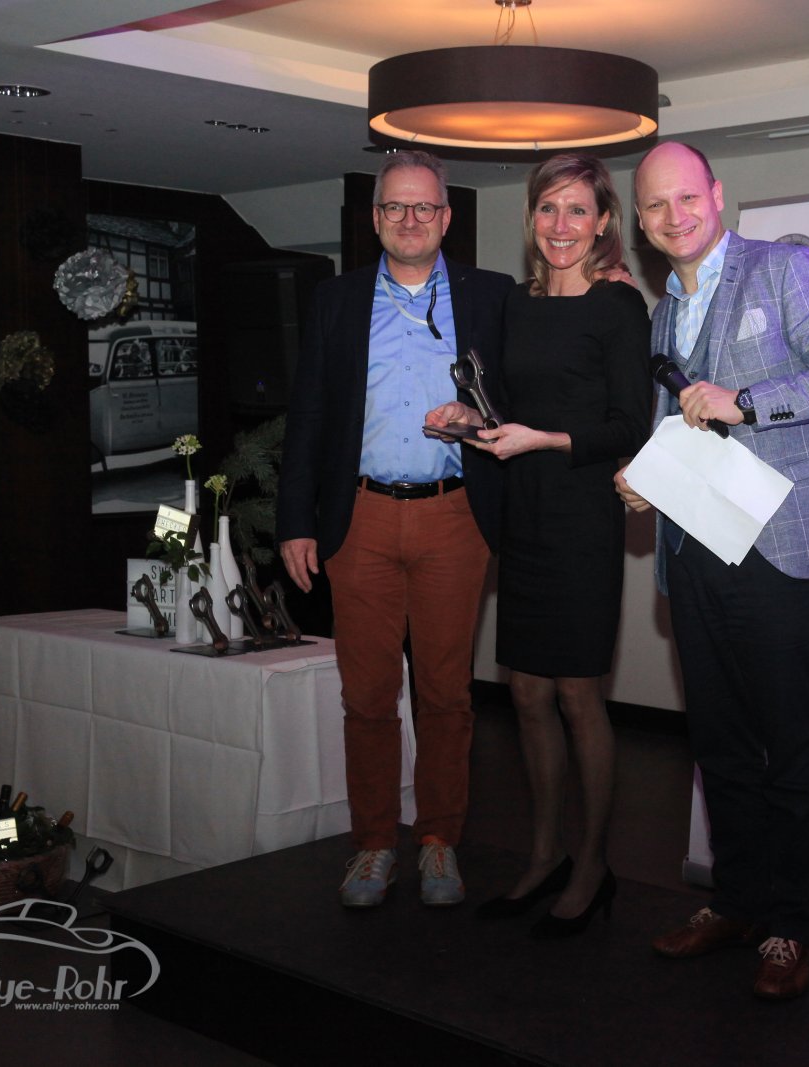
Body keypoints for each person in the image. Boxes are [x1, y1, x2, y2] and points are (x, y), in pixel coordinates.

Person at [615, 142, 809, 1000]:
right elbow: (681, 426)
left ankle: (790, 926)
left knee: (788, 746)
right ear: (642, 222)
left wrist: (750, 403)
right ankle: (735, 902)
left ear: (717, 194)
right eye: (655, 206)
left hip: (782, 552)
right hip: (695, 550)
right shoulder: (664, 314)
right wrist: (646, 479)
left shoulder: (781, 271)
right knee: (720, 742)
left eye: (686, 197)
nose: (674, 216)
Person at [276, 149, 512, 909]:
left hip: (454, 514)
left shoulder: (492, 296)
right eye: (394, 207)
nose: (410, 219)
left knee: (446, 693)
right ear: (376, 219)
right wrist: (296, 522)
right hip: (360, 519)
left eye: (424, 207)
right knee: (369, 695)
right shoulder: (336, 300)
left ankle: (439, 839)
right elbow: (309, 413)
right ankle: (374, 843)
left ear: (446, 218)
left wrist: (478, 418)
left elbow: (522, 401)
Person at [427, 154, 650, 938]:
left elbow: (630, 425)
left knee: (578, 694)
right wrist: (467, 420)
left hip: (583, 515)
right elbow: (505, 409)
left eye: (578, 210)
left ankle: (592, 864)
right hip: (522, 512)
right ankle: (545, 852)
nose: (562, 225)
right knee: (524, 691)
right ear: (531, 218)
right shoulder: (516, 305)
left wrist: (545, 439)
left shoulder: (619, 306)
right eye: (549, 208)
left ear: (603, 222)